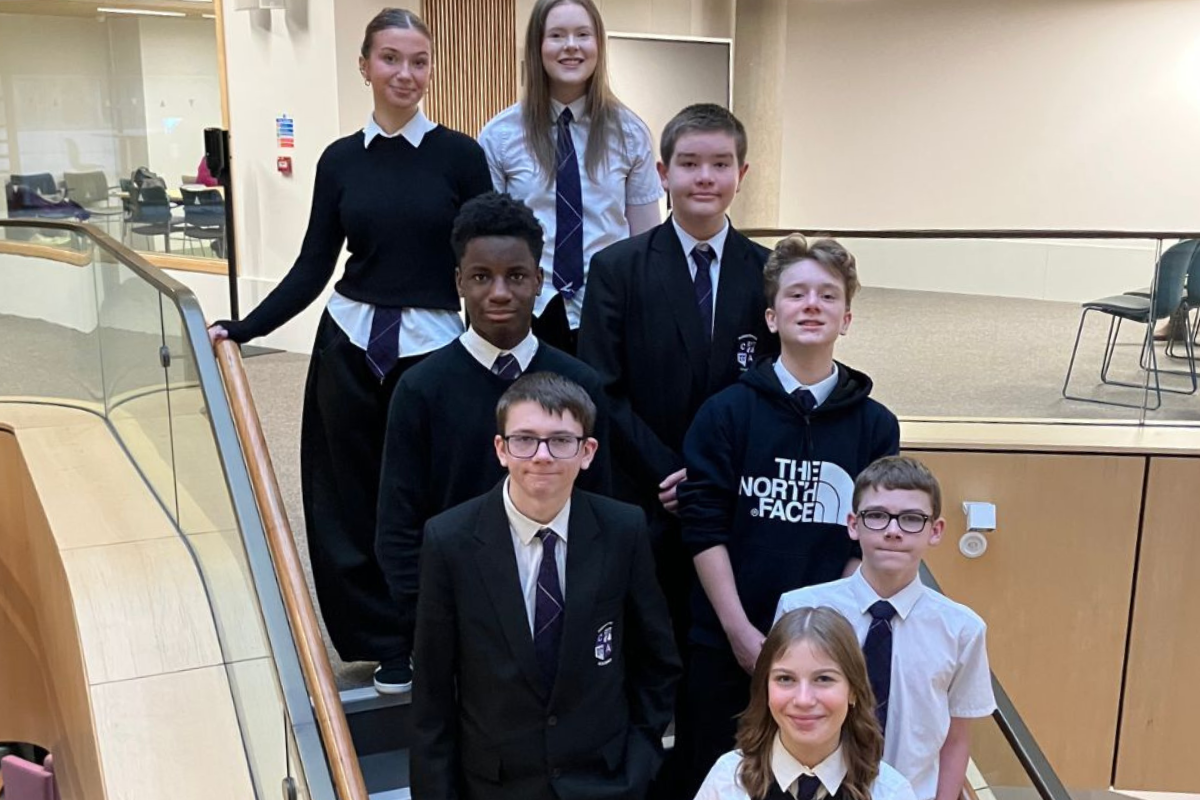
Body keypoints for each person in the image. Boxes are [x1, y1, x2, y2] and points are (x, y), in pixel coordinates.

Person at [208, 8, 492, 693]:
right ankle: (381, 642)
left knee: (438, 501)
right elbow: (314, 265)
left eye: (419, 61)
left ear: (431, 70)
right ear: (364, 66)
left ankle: (440, 632)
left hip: (434, 350)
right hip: (352, 344)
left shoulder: (461, 156)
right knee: (348, 499)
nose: (405, 73)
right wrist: (243, 328)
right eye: (390, 59)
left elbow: (488, 258)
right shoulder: (339, 161)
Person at [577, 102, 775, 793]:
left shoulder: (767, 272)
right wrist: (671, 470)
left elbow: (775, 387)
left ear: (742, 174)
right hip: (645, 498)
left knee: (718, 671)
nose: (704, 177)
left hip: (734, 507)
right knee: (640, 655)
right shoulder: (618, 268)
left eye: (720, 164)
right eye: (689, 163)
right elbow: (601, 388)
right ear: (662, 172)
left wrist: (714, 476)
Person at [679, 234, 901, 791]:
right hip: (728, 643)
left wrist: (825, 640)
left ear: (846, 318)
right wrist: (739, 632)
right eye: (797, 294)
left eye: (827, 296)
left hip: (825, 656)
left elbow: (866, 543)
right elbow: (703, 527)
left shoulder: (877, 425)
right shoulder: (724, 413)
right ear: (772, 316)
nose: (812, 305)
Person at [375, 192, 612, 687]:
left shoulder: (580, 384)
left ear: (539, 281)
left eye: (517, 276)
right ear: (459, 282)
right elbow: (398, 526)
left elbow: (603, 508)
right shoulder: (419, 389)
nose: (500, 292)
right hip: (461, 618)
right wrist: (429, 622)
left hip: (562, 614)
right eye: (482, 277)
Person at [411, 372, 680, 800]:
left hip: (605, 782)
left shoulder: (623, 529)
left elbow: (657, 659)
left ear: (587, 452)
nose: (541, 456)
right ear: (501, 449)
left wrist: (639, 760)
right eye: (524, 439)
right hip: (496, 786)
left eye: (560, 441)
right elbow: (433, 691)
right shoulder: (450, 540)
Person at [775, 457, 995, 800]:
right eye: (877, 516)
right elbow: (777, 713)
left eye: (911, 519)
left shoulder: (962, 629)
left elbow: (955, 738)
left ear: (935, 531)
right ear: (853, 524)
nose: (893, 530)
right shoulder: (800, 609)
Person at [478, 0, 663, 355]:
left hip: (609, 310)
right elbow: (489, 242)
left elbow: (647, 244)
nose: (571, 46)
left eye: (583, 34)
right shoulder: (499, 135)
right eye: (557, 35)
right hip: (528, 312)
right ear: (537, 47)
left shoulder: (629, 132)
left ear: (598, 45)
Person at [695, 607, 917, 800]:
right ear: (765, 688)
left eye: (823, 679)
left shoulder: (890, 793)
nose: (803, 700)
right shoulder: (727, 781)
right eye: (785, 679)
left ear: (854, 691)